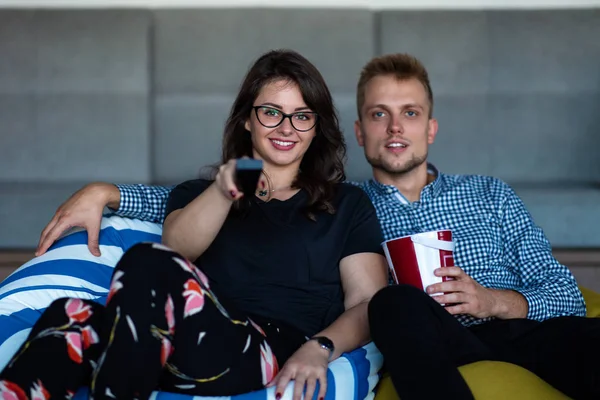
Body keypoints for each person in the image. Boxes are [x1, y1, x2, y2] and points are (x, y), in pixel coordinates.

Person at [31, 53, 598, 400]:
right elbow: (177, 232)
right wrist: (109, 191)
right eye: (379, 114)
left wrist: (491, 300)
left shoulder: (458, 197)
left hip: (493, 325)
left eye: (411, 114)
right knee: (393, 303)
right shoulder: (311, 198)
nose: (395, 128)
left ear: (433, 128)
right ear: (357, 130)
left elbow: (562, 292)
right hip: (409, 333)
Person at [0, 49, 388, 400]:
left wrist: (319, 347)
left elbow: (367, 302)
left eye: (302, 116)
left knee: (143, 264)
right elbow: (176, 250)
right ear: (247, 121)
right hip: (176, 338)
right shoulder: (200, 192)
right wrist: (225, 188)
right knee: (67, 315)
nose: (286, 128)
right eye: (271, 112)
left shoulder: (347, 204)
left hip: (262, 346)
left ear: (316, 128)